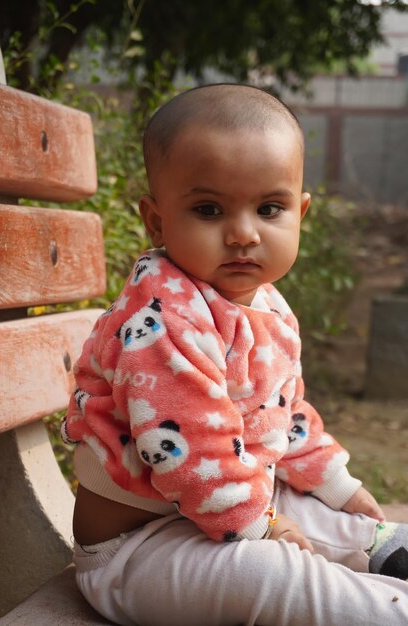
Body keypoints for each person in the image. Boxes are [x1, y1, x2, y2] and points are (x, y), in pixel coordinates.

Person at [62, 84, 408, 626]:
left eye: (269, 208)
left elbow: (281, 416)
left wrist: (339, 486)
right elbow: (191, 447)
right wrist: (265, 527)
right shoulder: (162, 320)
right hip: (136, 551)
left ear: (301, 212)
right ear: (156, 221)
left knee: (328, 521)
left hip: (222, 513)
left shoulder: (268, 306)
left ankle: (376, 548)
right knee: (273, 574)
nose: (244, 233)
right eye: (208, 209)